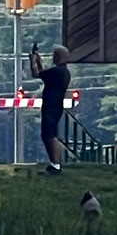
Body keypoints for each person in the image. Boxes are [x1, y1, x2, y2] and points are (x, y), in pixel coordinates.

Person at [28, 44, 71, 174]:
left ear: (57, 57)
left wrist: (32, 60)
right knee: (51, 134)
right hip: (56, 105)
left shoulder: (57, 72)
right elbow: (44, 74)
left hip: (51, 106)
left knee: (49, 135)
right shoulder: (63, 72)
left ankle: (56, 164)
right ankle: (55, 163)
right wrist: (39, 59)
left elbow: (36, 74)